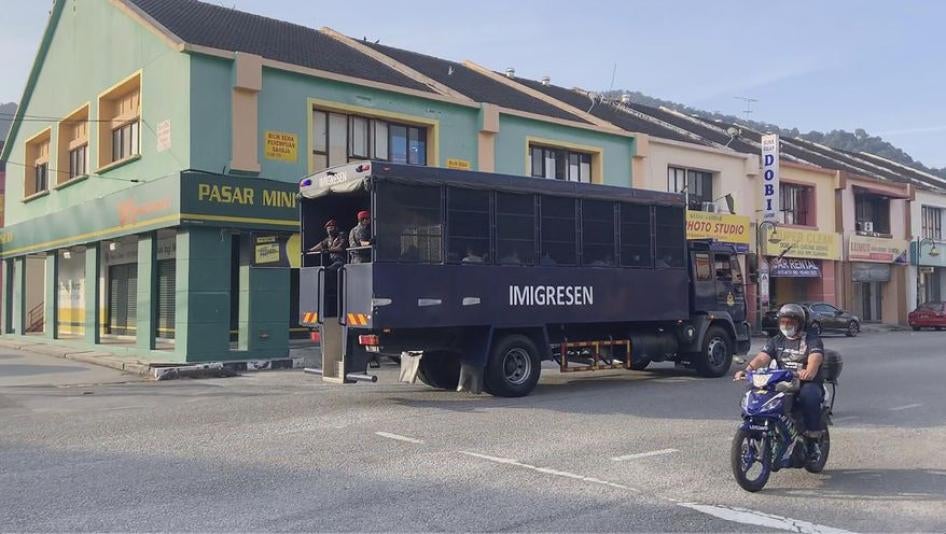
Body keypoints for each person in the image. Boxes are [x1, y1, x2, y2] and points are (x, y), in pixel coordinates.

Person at [734, 303, 826, 452]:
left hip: (804, 381)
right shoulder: (776, 340)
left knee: (809, 396)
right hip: (781, 379)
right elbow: (762, 358)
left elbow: (816, 357)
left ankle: (812, 437)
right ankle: (754, 424)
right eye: (783, 322)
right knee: (753, 389)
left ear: (800, 324)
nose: (786, 325)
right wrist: (747, 370)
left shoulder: (811, 339)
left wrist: (808, 371)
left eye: (790, 323)